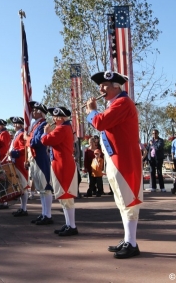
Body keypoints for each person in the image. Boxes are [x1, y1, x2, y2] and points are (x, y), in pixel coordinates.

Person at [85, 70, 143, 259]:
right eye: (100, 86)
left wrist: (92, 111)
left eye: (104, 86)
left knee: (128, 201)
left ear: (116, 87)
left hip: (124, 159)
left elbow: (101, 123)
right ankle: (128, 239)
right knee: (121, 200)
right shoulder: (114, 104)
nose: (100, 89)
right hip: (115, 158)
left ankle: (132, 243)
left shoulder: (123, 102)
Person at [41, 107, 78, 236]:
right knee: (63, 197)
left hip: (63, 165)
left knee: (66, 196)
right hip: (60, 164)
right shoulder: (63, 128)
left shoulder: (62, 129)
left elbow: (46, 141)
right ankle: (69, 224)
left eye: (55, 117)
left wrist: (46, 132)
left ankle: (72, 225)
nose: (53, 120)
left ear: (60, 118)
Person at [26, 101, 53, 225]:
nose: (33, 112)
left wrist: (28, 139)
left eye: (36, 110)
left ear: (42, 113)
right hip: (35, 158)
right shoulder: (36, 125)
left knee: (45, 187)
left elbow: (38, 141)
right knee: (40, 189)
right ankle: (44, 213)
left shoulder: (43, 124)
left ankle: (47, 215)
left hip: (41, 157)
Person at [8, 116, 29, 217]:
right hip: (16, 162)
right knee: (20, 186)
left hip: (20, 162)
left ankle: (24, 208)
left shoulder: (21, 134)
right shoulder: (18, 134)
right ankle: (22, 207)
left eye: (16, 123)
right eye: (14, 123)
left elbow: (23, 149)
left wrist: (13, 153)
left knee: (23, 186)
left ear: (21, 124)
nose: (14, 125)